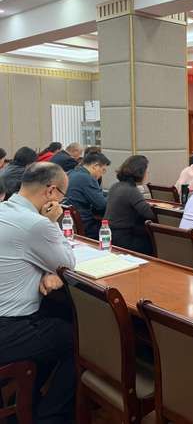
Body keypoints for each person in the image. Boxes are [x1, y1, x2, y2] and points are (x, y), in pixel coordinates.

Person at [0, 162, 76, 423]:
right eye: (63, 196)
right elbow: (67, 263)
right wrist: (52, 222)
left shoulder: (4, 209)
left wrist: (48, 270)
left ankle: (25, 399)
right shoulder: (36, 224)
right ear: (51, 192)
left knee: (55, 319)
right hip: (8, 328)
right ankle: (51, 416)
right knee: (80, 339)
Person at [104, 155, 156, 255]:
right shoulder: (131, 190)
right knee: (157, 244)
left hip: (110, 235)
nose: (148, 172)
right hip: (124, 239)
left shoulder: (116, 186)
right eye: (147, 170)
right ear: (140, 172)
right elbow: (150, 214)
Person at [66, 151, 111, 239]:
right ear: (95, 166)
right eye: (103, 170)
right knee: (113, 231)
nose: (102, 174)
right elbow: (101, 205)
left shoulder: (71, 173)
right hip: (86, 226)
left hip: (72, 224)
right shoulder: (87, 178)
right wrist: (114, 197)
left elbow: (95, 193)